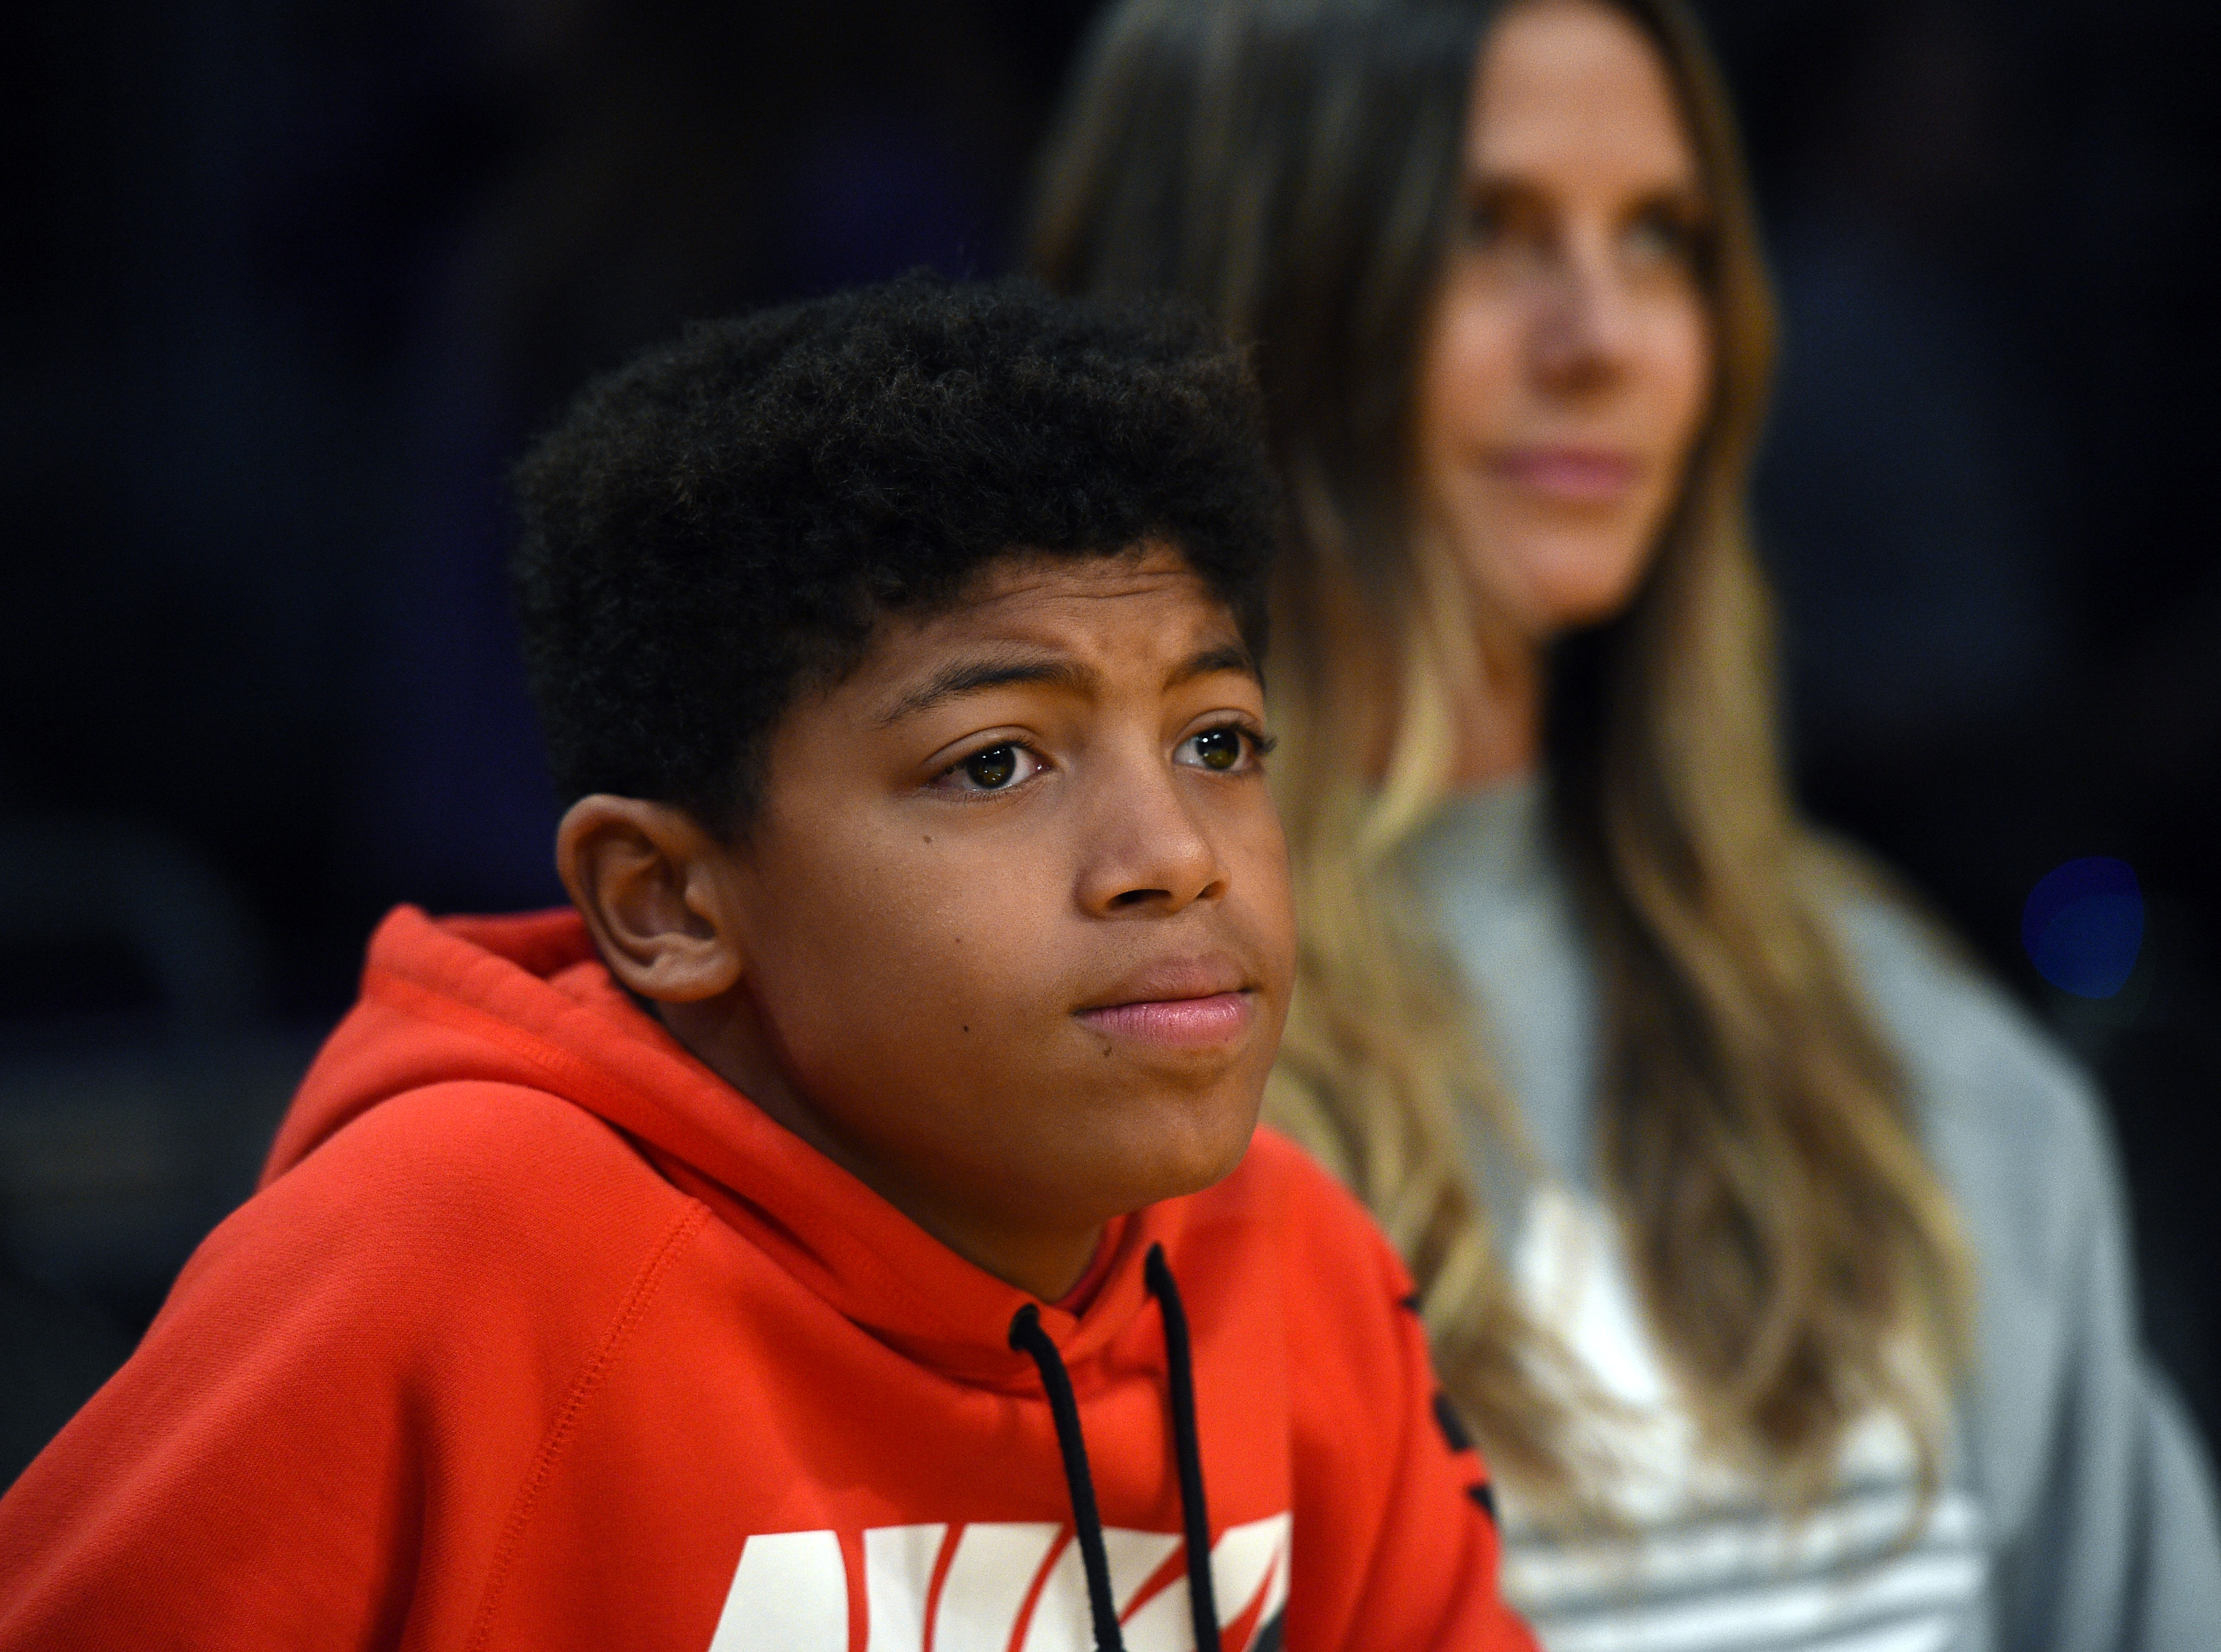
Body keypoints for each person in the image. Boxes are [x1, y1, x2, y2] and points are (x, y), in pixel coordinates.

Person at [0, 278, 1534, 1652]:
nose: (1174, 852)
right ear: (666, 900)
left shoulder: (1290, 1259)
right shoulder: (449, 1255)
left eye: (1219, 742)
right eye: (995, 763)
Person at [1028, 3, 2221, 1648]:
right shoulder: (1030, 1062)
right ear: (1244, 287)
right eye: (1490, 233)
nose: (1604, 336)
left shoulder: (1896, 1035)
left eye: (1661, 241)